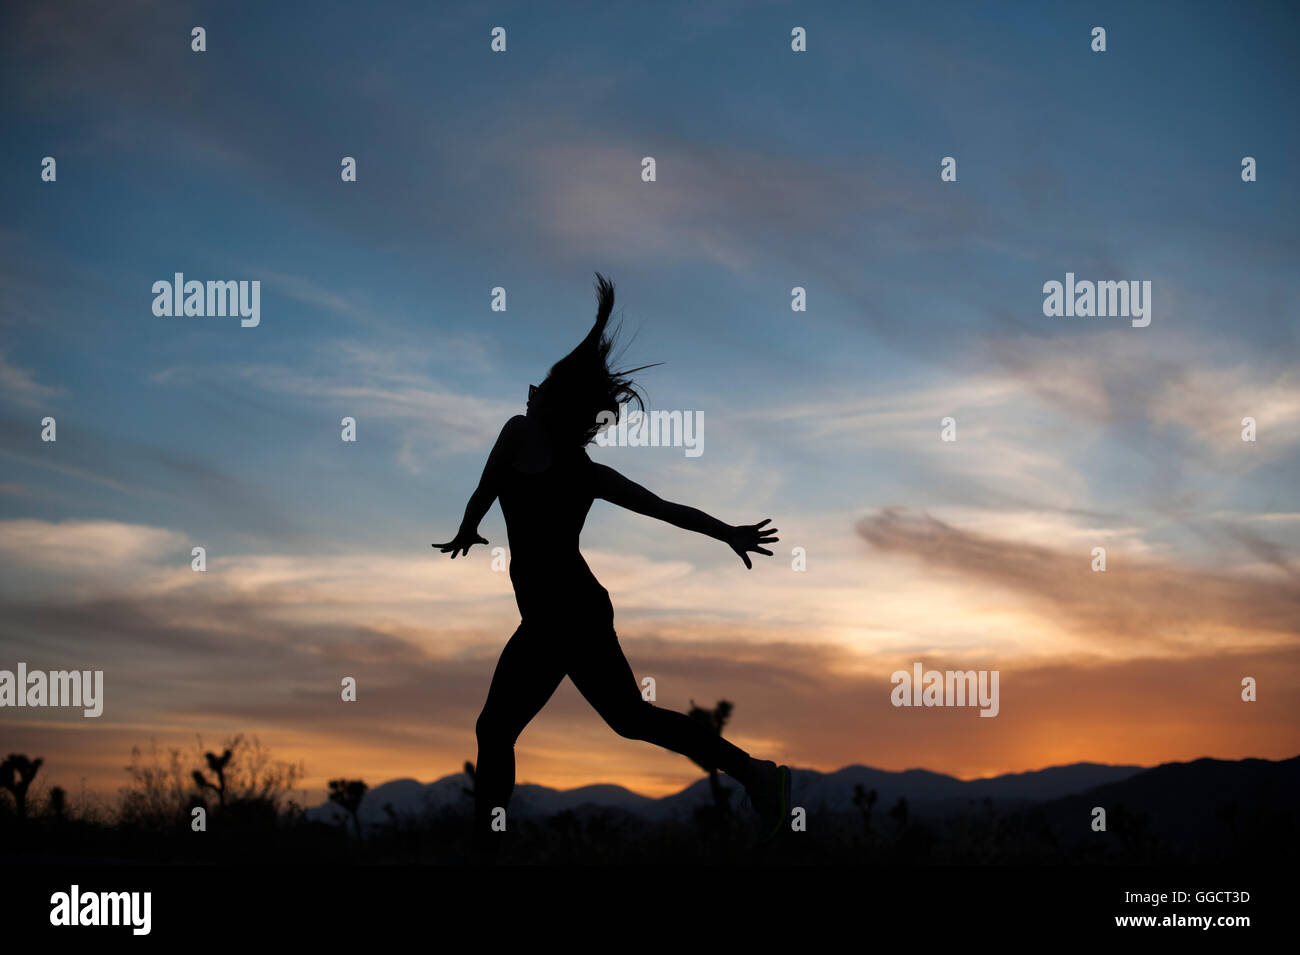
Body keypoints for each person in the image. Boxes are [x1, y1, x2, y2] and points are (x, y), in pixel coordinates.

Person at [435, 273, 791, 857]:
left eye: (539, 388)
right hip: (564, 612)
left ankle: (487, 848)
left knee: (498, 730)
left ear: (552, 406)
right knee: (628, 720)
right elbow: (490, 488)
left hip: (564, 614)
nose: (528, 392)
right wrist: (467, 528)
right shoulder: (565, 460)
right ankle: (756, 775)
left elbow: (663, 510)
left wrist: (727, 531)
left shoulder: (537, 443)